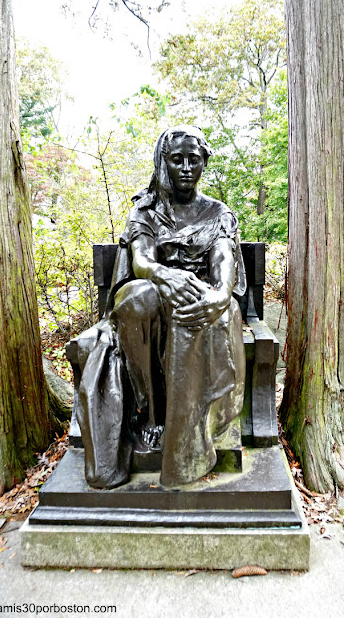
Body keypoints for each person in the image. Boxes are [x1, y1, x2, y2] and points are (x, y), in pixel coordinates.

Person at [76, 125, 246, 489]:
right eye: (177, 159)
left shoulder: (218, 213)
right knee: (141, 298)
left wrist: (219, 295)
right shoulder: (146, 211)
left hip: (197, 297)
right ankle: (149, 414)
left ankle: (192, 430)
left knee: (203, 311)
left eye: (194, 160)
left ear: (204, 164)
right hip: (152, 295)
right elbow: (140, 260)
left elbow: (223, 262)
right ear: (163, 162)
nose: (185, 167)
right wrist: (163, 275)